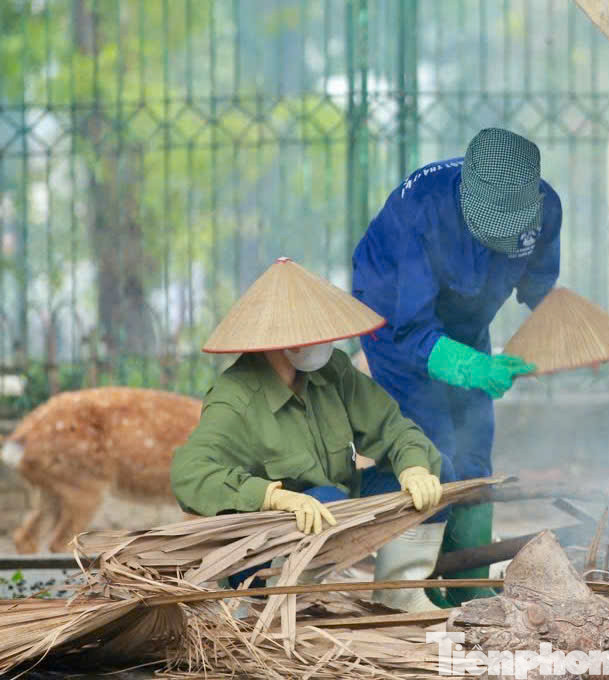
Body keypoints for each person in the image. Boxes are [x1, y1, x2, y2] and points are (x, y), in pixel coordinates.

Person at [171, 256, 454, 612]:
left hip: (337, 504)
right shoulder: (235, 399)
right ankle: (285, 604)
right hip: (264, 551)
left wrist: (413, 467)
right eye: (314, 334)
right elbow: (189, 472)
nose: (326, 341)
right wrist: (273, 498)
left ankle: (401, 592)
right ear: (280, 341)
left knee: (437, 466)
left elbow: (393, 427)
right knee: (325, 500)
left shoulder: (332, 370)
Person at [351, 128, 561, 606]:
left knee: (473, 448)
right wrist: (470, 368)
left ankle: (468, 583)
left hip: (467, 324)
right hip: (395, 323)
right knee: (428, 452)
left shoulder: (545, 207)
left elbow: (542, 290)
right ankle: (404, 588)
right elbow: (412, 329)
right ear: (468, 198)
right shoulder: (418, 211)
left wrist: (561, 339)